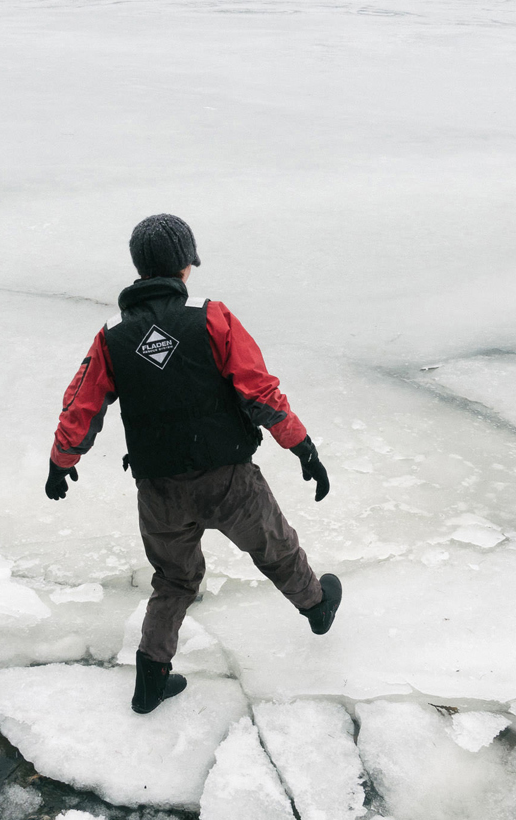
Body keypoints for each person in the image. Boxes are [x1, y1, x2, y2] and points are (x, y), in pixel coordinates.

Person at [46, 214, 341, 715]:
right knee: (274, 547)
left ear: (139, 268)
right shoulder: (212, 317)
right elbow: (259, 392)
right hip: (228, 479)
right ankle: (316, 607)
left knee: (175, 581)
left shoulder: (112, 337)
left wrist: (61, 459)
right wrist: (302, 447)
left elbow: (82, 404)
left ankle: (150, 681)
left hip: (158, 488)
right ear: (187, 265)